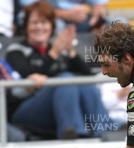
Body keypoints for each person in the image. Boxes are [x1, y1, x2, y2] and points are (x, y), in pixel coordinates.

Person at [6, 1, 109, 139]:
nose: (39, 27)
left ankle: (105, 128)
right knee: (65, 78)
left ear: (51, 26)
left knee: (82, 82)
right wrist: (53, 53)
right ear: (26, 27)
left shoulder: (60, 50)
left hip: (56, 111)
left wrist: (70, 52)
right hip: (25, 111)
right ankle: (74, 131)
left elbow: (88, 77)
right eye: (35, 23)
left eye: (44, 23)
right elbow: (29, 77)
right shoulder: (15, 51)